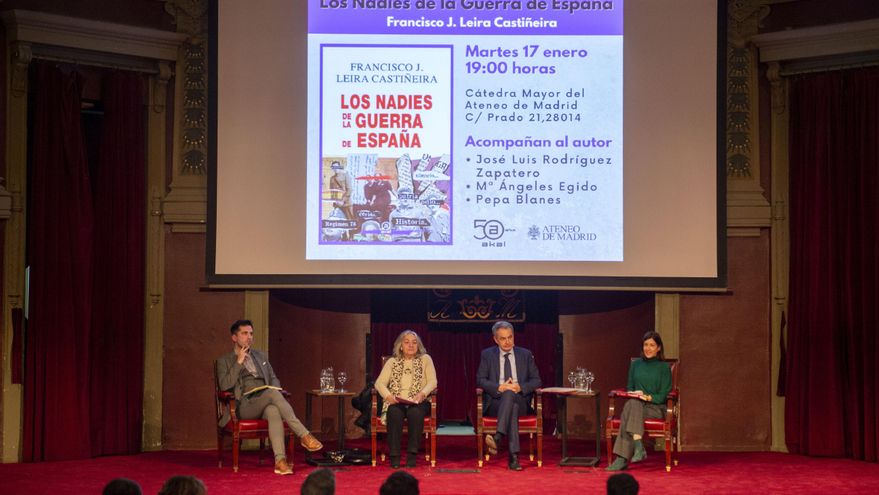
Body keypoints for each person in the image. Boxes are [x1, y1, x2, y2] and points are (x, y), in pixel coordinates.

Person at [216, 319, 323, 475]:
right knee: (273, 394)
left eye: (251, 333)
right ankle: (304, 435)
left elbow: (273, 379)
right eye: (244, 333)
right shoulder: (224, 361)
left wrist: (274, 388)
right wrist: (238, 362)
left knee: (273, 410)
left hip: (264, 400)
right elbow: (225, 385)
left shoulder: (261, 356)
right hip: (243, 405)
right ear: (234, 337)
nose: (249, 337)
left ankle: (280, 461)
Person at [476, 321, 542, 471]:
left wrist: (520, 387)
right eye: (503, 338)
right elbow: (480, 379)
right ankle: (513, 457)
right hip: (496, 403)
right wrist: (499, 387)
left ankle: (498, 437)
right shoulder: (487, 355)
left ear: (513, 336)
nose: (507, 342)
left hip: (521, 400)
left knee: (512, 398)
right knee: (511, 403)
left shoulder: (525, 354)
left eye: (510, 337)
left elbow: (537, 380)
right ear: (495, 339)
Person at [606, 331, 673, 471]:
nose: (648, 348)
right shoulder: (636, 365)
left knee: (629, 409)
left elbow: (664, 394)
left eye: (652, 345)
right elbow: (630, 387)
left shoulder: (664, 367)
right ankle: (638, 447)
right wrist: (636, 394)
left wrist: (648, 397)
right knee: (633, 404)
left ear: (659, 348)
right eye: (645, 345)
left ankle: (622, 458)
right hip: (637, 404)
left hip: (655, 408)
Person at [374, 330, 437, 468]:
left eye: (414, 342)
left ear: (418, 346)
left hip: (419, 401)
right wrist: (389, 396)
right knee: (394, 413)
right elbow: (379, 383)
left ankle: (412, 455)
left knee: (415, 413)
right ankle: (395, 456)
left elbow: (433, 382)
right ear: (401, 346)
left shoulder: (426, 359)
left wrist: (422, 394)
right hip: (397, 401)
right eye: (407, 342)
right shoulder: (392, 362)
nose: (411, 345)